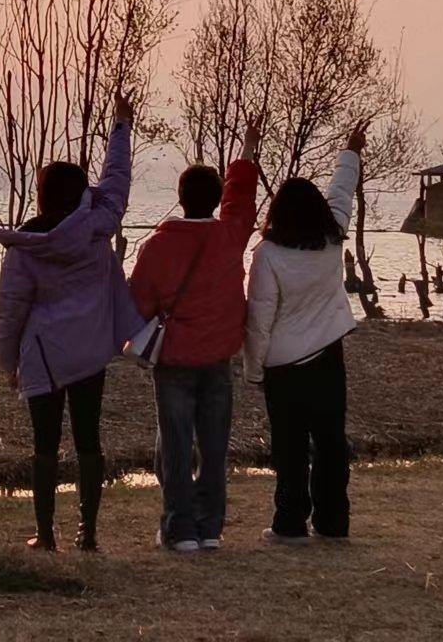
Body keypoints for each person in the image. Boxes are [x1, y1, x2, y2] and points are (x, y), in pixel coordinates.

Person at [0, 90, 142, 553]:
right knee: (89, 439)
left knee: (44, 444)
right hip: (90, 353)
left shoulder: (26, 248)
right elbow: (116, 180)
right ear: (82, 195)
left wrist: (7, 359)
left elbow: (11, 309)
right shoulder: (98, 227)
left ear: (40, 196)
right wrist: (120, 127)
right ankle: (89, 533)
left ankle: (48, 533)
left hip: (42, 358)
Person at [128, 120, 262, 553]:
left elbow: (138, 306)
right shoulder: (230, 235)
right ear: (214, 200)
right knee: (214, 448)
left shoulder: (157, 247)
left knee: (176, 446)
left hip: (174, 363)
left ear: (180, 199)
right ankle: (209, 527)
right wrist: (248, 147)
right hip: (218, 360)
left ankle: (179, 527)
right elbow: (241, 197)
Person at [243, 123, 367, 544]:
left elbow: (260, 318)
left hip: (283, 365)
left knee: (290, 448)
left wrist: (253, 369)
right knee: (331, 441)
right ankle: (333, 523)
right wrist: (350, 150)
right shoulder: (332, 240)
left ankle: (290, 523)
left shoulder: (267, 254)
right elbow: (341, 192)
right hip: (329, 355)